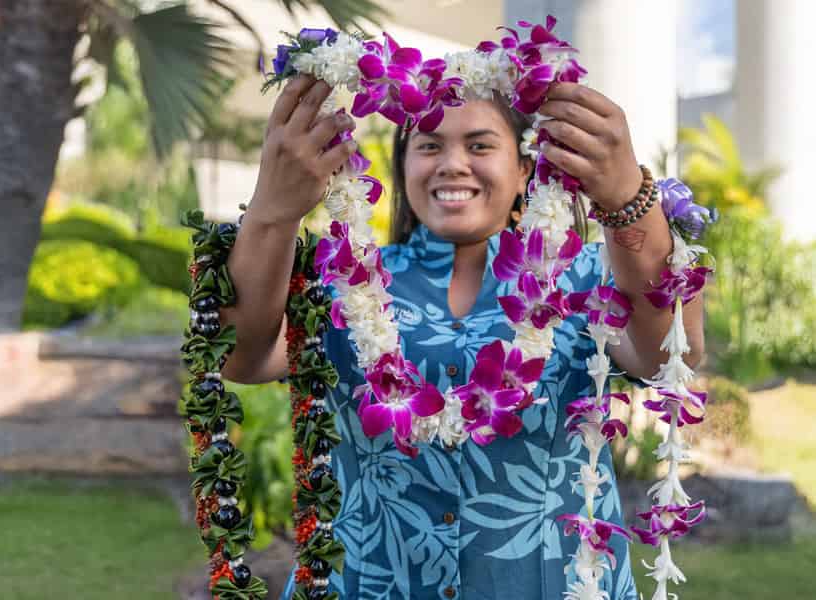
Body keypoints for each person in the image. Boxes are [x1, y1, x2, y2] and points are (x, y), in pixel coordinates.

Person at [221, 74, 705, 599]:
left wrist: (626, 198)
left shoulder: (585, 273)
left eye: (479, 145)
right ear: (404, 167)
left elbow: (668, 355)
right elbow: (241, 356)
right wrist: (274, 206)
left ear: (525, 168)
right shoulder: (339, 276)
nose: (452, 163)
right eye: (429, 145)